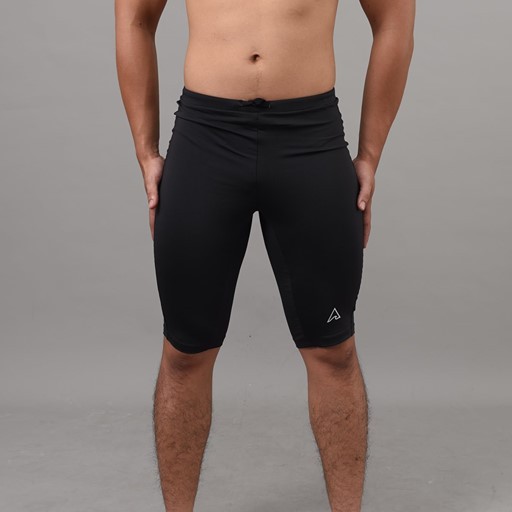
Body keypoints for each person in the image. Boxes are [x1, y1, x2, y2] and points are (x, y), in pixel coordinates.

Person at [115, 0, 415, 509]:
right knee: (184, 354)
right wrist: (146, 152)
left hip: (309, 137)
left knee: (334, 351)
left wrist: (369, 154)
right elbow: (135, 17)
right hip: (205, 138)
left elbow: (395, 20)